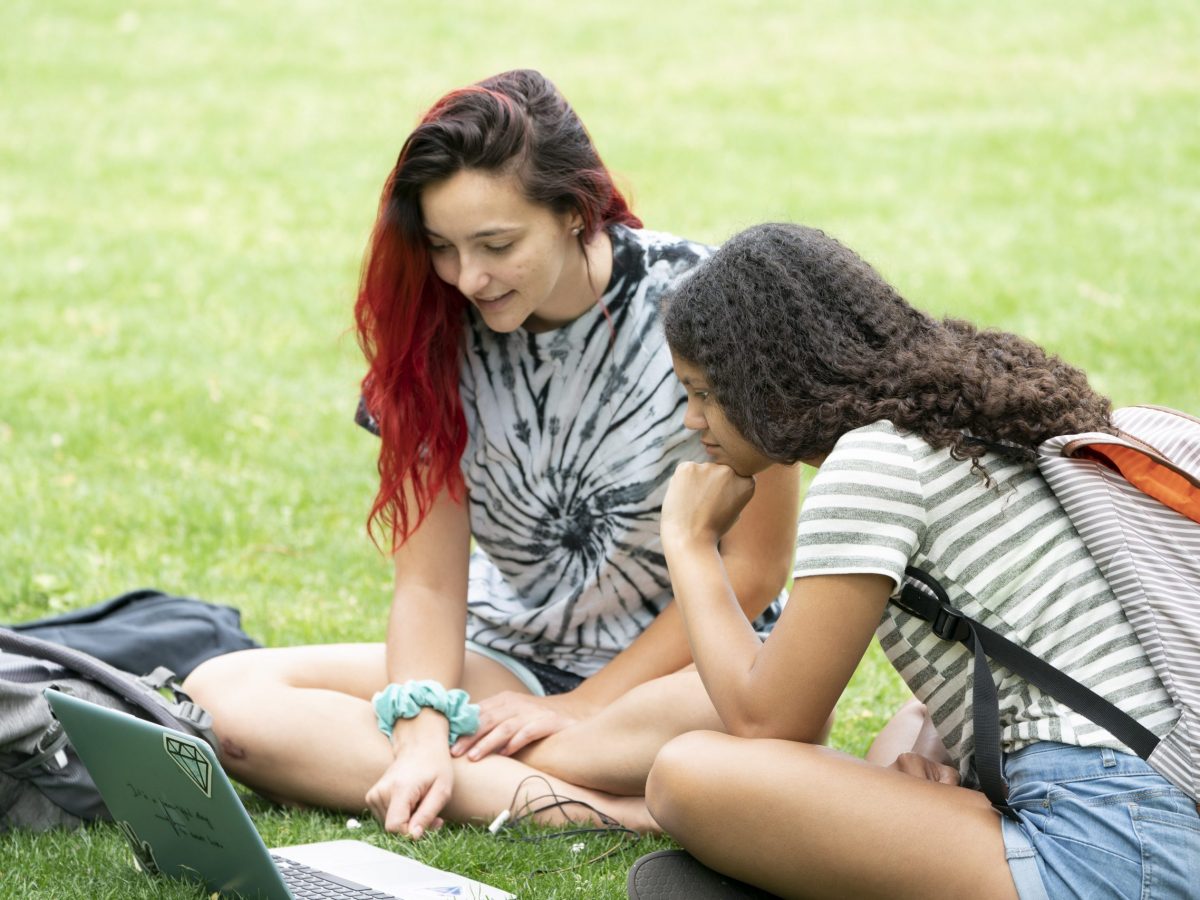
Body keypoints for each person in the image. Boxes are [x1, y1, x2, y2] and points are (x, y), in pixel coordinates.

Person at [183, 71, 801, 840]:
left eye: (497, 245)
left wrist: (578, 707)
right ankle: (601, 810)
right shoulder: (432, 333)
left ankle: (526, 772)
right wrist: (418, 733)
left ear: (575, 211)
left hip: (684, 672)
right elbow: (432, 588)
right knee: (220, 694)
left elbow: (756, 568)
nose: (467, 277)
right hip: (506, 662)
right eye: (443, 247)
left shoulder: (711, 305)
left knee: (762, 711)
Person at [632, 222, 1199, 898]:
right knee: (904, 735)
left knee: (686, 773)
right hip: (1154, 810)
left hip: (1112, 840)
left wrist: (691, 546)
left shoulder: (874, 463)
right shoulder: (951, 425)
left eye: (703, 393)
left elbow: (770, 723)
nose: (694, 421)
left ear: (767, 380)